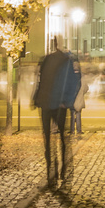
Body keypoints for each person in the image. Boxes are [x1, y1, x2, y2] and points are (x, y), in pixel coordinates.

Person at [33, 36, 80, 188]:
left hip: (47, 103)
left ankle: (51, 172)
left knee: (48, 139)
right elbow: (73, 81)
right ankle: (62, 170)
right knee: (61, 138)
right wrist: (66, 101)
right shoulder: (66, 61)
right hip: (57, 104)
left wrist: (37, 97)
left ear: (54, 44)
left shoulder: (47, 59)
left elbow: (41, 81)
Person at [70, 67, 91, 135]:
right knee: (78, 113)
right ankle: (79, 130)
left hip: (72, 98)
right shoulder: (82, 78)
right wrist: (82, 93)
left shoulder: (70, 77)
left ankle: (72, 130)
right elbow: (86, 88)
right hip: (80, 98)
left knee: (72, 114)